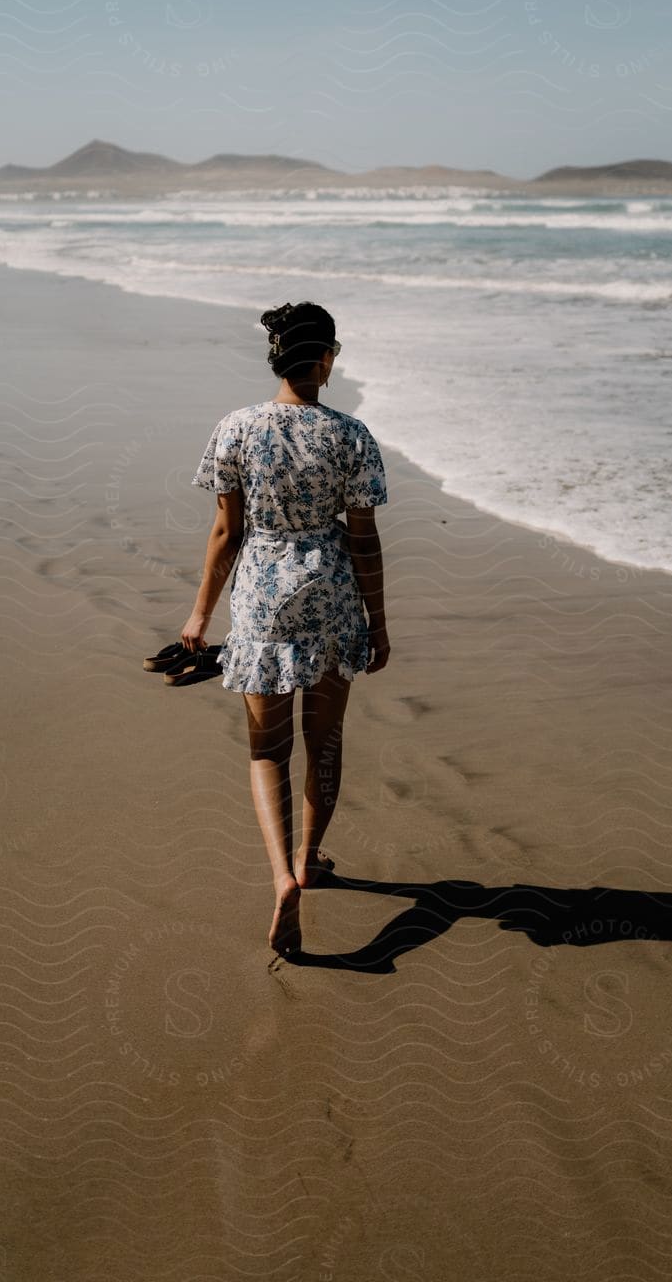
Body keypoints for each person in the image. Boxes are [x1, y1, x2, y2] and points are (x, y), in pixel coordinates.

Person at [181, 301, 390, 956]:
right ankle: (310, 858)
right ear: (324, 357)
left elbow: (225, 532)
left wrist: (198, 617)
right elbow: (364, 540)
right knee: (323, 740)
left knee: (267, 749)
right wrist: (377, 622)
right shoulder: (351, 434)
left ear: (276, 356)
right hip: (330, 597)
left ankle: (281, 876)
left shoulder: (236, 428)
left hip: (261, 602)